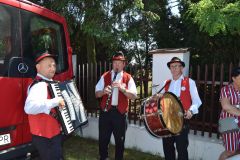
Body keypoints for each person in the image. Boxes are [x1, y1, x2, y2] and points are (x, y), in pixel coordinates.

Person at [156, 57, 202, 160]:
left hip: (182, 120)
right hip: (167, 120)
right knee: (168, 149)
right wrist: (158, 97)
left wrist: (191, 110)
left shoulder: (189, 82)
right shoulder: (166, 83)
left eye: (177, 66)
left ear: (182, 68)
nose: (174, 68)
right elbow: (160, 101)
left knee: (182, 149)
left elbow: (197, 101)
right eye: (172, 66)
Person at [95, 51, 137, 160]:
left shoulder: (128, 78)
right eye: (115, 62)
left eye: (119, 63)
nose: (117, 65)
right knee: (103, 139)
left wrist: (122, 89)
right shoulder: (105, 76)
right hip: (106, 113)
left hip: (120, 114)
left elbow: (133, 96)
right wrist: (104, 91)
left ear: (124, 64)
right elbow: (96, 93)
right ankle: (104, 157)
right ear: (112, 64)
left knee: (120, 140)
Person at [24, 51, 65, 160]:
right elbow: (29, 108)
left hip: (52, 133)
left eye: (54, 65)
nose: (52, 68)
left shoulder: (50, 83)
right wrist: (55, 101)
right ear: (38, 67)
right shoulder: (39, 85)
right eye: (49, 65)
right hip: (45, 136)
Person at [218, 67, 240, 160]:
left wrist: (234, 107)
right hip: (229, 123)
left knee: (238, 150)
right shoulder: (226, 89)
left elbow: (231, 107)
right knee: (230, 151)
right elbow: (226, 107)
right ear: (233, 78)